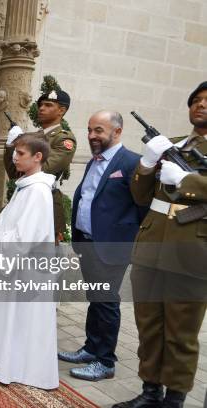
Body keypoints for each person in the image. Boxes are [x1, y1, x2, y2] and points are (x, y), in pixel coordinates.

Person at [113, 82, 207, 408]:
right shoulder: (174, 145)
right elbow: (140, 195)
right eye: (196, 100)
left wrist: (186, 181)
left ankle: (174, 399)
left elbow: (188, 189)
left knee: (180, 334)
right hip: (151, 247)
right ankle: (150, 392)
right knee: (149, 326)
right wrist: (147, 164)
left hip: (192, 253)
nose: (201, 105)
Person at [58, 111, 146, 381]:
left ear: (117, 132)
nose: (92, 136)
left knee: (106, 301)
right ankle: (91, 347)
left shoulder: (131, 162)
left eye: (98, 130)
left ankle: (105, 361)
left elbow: (143, 206)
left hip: (112, 247)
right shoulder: (95, 161)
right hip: (87, 242)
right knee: (95, 298)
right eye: (89, 130)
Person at [0, 132, 58, 390]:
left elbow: (26, 237)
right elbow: (7, 219)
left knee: (21, 320)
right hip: (14, 265)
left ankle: (15, 366)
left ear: (38, 157)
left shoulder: (38, 192)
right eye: (15, 152)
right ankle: (0, 357)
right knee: (7, 313)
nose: (15, 158)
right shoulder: (26, 186)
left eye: (20, 154)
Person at [4, 90, 76, 242]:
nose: (41, 108)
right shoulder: (33, 137)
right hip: (24, 197)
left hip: (45, 200)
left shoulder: (64, 139)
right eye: (41, 105)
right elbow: (14, 173)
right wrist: (10, 146)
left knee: (41, 255)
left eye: (48, 105)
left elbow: (44, 169)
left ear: (61, 110)